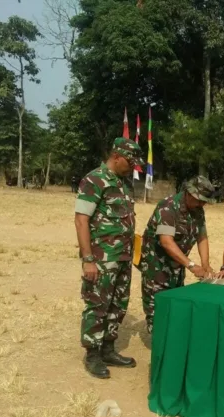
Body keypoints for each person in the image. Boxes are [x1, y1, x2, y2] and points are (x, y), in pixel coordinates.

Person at [74, 137, 145, 379]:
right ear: (116, 156)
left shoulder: (124, 183)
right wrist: (88, 259)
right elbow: (81, 220)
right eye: (130, 162)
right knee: (97, 304)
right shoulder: (95, 179)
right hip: (101, 258)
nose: (133, 167)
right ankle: (92, 355)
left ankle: (108, 349)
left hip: (123, 256)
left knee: (118, 304)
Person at [139, 175, 216, 333]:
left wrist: (206, 264)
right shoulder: (168, 207)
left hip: (176, 267)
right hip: (157, 267)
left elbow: (202, 237)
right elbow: (167, 242)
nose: (202, 204)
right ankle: (160, 351)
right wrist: (192, 265)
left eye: (204, 201)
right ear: (188, 193)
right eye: (199, 200)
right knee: (158, 312)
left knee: (175, 308)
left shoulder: (197, 210)